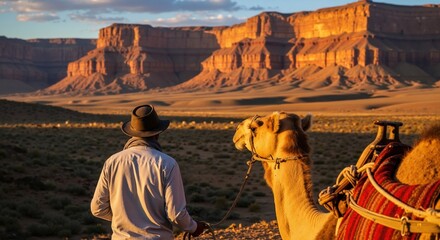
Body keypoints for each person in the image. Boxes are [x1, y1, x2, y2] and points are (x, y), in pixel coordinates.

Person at [91, 104, 208, 239]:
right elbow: (176, 214)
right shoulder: (167, 163)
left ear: (132, 133)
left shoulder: (112, 162)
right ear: (158, 133)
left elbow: (97, 208)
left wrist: (127, 219)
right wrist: (194, 227)